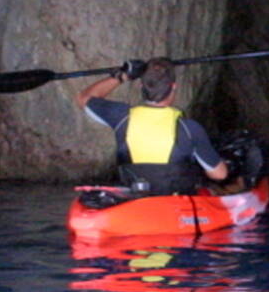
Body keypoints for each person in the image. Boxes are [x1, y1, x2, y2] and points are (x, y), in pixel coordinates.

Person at [78, 58, 234, 195]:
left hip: (134, 198)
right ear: (173, 87)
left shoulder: (121, 117)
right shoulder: (190, 128)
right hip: (175, 202)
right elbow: (219, 175)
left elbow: (84, 98)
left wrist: (123, 75)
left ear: (142, 86)